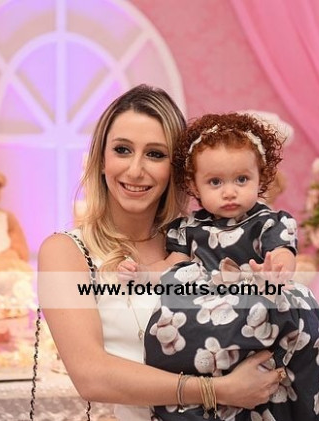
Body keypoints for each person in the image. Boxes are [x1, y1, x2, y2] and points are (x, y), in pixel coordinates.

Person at [38, 86, 284, 421]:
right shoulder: (66, 252)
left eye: (155, 154)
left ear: (177, 169)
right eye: (122, 150)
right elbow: (91, 375)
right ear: (101, 159)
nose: (135, 170)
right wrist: (217, 390)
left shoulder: (200, 242)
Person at [125, 113, 319, 420]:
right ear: (194, 185)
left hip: (254, 298)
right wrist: (142, 273)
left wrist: (275, 270)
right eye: (215, 182)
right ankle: (195, 402)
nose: (229, 191)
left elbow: (282, 253)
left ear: (261, 177)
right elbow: (171, 265)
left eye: (241, 180)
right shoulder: (187, 229)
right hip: (203, 308)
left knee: (293, 309)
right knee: (164, 326)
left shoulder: (268, 222)